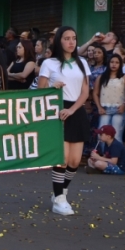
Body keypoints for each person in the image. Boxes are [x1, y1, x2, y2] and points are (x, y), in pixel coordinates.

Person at [37, 26, 91, 216]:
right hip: (57, 110)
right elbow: (40, 90)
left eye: (74, 38)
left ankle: (61, 192)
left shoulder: (82, 62)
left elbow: (85, 92)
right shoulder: (49, 63)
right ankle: (59, 199)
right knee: (62, 159)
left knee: (75, 161)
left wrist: (72, 109)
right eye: (66, 38)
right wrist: (53, 87)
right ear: (59, 41)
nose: (71, 42)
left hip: (75, 110)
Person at [93, 54, 125, 138]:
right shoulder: (101, 77)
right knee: (102, 134)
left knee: (116, 135)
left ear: (120, 64)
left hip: (119, 109)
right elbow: (95, 93)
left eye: (117, 62)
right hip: (105, 109)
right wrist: (99, 107)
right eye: (112, 62)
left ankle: (115, 147)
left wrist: (124, 104)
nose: (114, 64)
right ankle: (102, 147)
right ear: (108, 63)